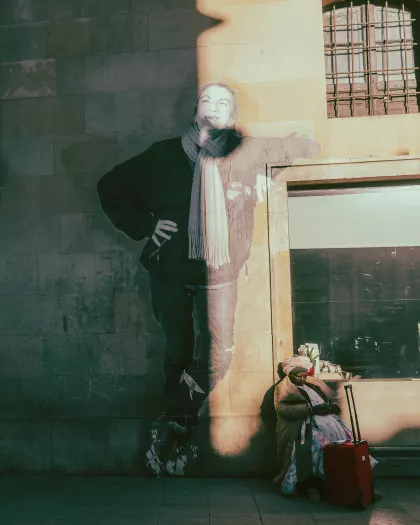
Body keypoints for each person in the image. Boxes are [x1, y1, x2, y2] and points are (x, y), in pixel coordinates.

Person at [96, 82, 320, 476]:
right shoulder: (163, 155)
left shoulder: (247, 151)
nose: (212, 106)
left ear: (232, 117)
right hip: (170, 271)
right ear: (195, 112)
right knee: (178, 354)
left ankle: (173, 419)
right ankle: (176, 438)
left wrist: (273, 169)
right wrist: (145, 225)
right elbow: (109, 186)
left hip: (220, 272)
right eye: (205, 100)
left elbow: (307, 147)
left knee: (219, 355)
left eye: (222, 102)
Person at [273, 355, 381, 502]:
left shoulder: (313, 384)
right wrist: (309, 410)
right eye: (299, 376)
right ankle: (312, 486)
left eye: (305, 375)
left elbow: (330, 398)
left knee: (349, 444)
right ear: (290, 374)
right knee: (316, 448)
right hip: (305, 426)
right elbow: (281, 409)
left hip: (329, 422)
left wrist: (332, 407)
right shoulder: (283, 387)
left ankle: (362, 485)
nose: (303, 379)